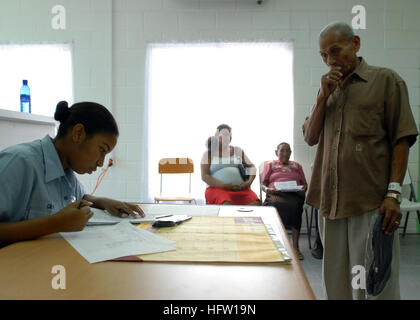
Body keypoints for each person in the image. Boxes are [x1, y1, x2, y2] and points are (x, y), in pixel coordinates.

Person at [302, 22, 418, 300]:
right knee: (337, 285)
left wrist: (393, 194)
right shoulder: (327, 90)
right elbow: (310, 137)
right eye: (323, 55)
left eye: (335, 51)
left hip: (370, 205)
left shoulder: (386, 81)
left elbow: (401, 139)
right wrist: (321, 98)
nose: (330, 60)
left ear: (355, 43)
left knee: (376, 286)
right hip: (330, 205)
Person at [0, 101, 145, 246]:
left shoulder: (65, 168)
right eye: (102, 150)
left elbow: (82, 197)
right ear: (78, 133)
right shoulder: (19, 162)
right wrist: (55, 224)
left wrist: (103, 202)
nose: (101, 163)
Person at [261, 142, 307, 260]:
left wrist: (303, 189)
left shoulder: (297, 166)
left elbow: (305, 184)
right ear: (276, 152)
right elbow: (263, 184)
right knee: (275, 205)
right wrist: (269, 189)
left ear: (291, 153)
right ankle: (276, 245)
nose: (285, 153)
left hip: (294, 194)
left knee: (296, 206)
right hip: (276, 194)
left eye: (288, 151)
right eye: (282, 150)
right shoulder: (270, 165)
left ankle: (295, 247)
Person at [201, 124, 260, 205]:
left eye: (229, 135)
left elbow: (251, 167)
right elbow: (205, 176)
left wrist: (248, 183)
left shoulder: (237, 150)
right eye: (224, 134)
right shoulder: (208, 154)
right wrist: (223, 185)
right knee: (227, 205)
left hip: (241, 190)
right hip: (216, 189)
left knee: (255, 203)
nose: (227, 137)